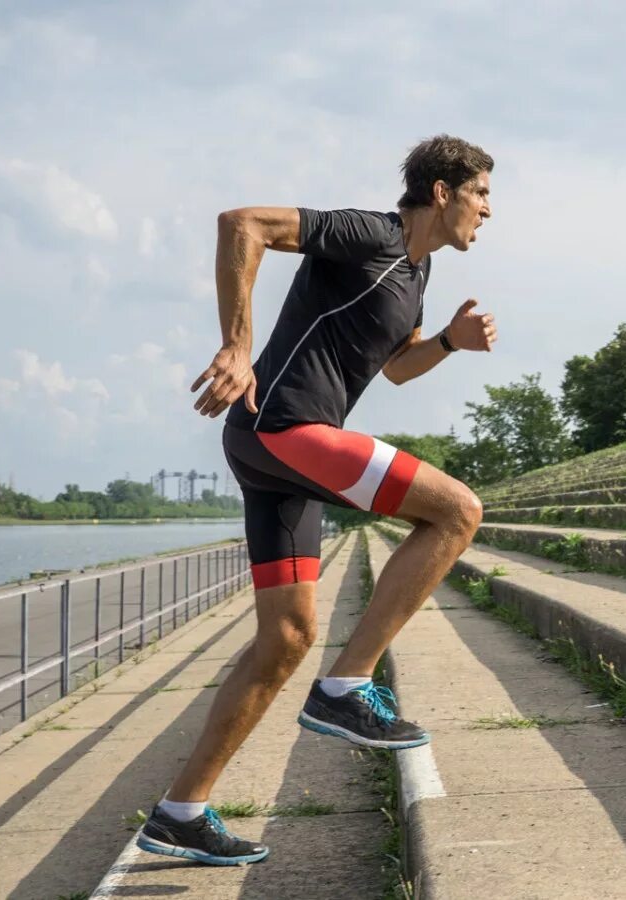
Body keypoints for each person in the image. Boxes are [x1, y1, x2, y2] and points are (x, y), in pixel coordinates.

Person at [137, 135, 496, 866]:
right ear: (441, 191)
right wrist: (237, 346)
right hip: (283, 426)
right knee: (457, 511)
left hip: (276, 448)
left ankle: (181, 810)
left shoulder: (416, 274)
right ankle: (347, 687)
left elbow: (396, 367)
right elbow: (243, 224)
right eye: (481, 193)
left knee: (287, 638)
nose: (487, 211)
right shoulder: (371, 233)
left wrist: (450, 344)